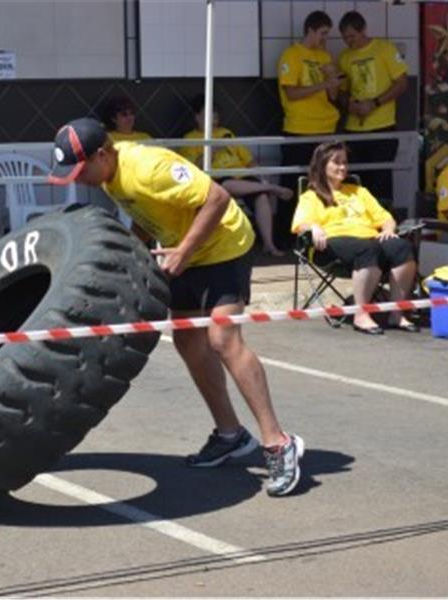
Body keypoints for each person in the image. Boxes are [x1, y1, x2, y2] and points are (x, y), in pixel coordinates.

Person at [49, 117, 305, 497]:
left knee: (223, 339)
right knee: (188, 341)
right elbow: (147, 216)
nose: (78, 179)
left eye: (80, 169)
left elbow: (217, 198)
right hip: (181, 249)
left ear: (102, 154)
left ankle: (278, 443)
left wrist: (184, 251)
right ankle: (231, 435)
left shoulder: (149, 168)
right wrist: (133, 257)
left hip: (224, 247)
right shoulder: (109, 176)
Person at [291, 141, 418, 335]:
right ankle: (361, 315)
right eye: (336, 162)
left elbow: (385, 218)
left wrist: (388, 229)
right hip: (331, 244)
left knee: (401, 247)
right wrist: (313, 226)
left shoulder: (359, 192)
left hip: (369, 239)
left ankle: (396, 312)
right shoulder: (311, 196)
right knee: (367, 249)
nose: (343, 167)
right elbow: (301, 223)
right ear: (322, 165)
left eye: (345, 162)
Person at [179, 94, 294, 256]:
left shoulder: (227, 133)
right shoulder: (189, 139)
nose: (213, 119)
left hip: (241, 175)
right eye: (208, 114)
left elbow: (248, 159)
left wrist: (259, 174)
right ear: (197, 117)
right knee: (226, 185)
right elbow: (194, 168)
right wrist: (212, 148)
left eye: (215, 114)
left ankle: (269, 243)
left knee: (261, 197)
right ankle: (273, 188)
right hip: (217, 179)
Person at [277, 10, 342, 248]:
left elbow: (333, 95)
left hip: (326, 126)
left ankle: (321, 234)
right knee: (294, 183)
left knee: (323, 183)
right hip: (299, 127)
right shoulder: (291, 55)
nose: (325, 39)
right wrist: (323, 83)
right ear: (310, 31)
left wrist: (332, 80)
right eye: (323, 33)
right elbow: (291, 93)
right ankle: (287, 235)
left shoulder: (325, 57)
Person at [338, 10, 408, 205]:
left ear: (363, 30)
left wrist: (375, 103)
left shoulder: (384, 49)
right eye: (345, 38)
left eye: (352, 36)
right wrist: (348, 103)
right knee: (356, 181)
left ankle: (384, 228)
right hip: (354, 128)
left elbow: (402, 83)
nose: (349, 42)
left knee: (381, 181)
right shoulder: (344, 57)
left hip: (382, 126)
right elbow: (342, 92)